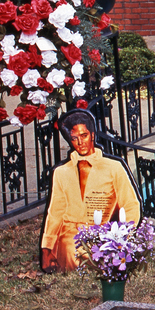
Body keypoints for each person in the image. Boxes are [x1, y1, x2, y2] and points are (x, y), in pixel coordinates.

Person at [40, 111, 142, 272]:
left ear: (93, 135)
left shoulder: (114, 168)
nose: (80, 142)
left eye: (84, 135)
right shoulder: (61, 172)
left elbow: (131, 205)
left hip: (103, 235)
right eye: (74, 138)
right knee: (71, 250)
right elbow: (55, 213)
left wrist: (122, 239)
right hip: (68, 238)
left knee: (97, 258)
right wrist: (46, 249)